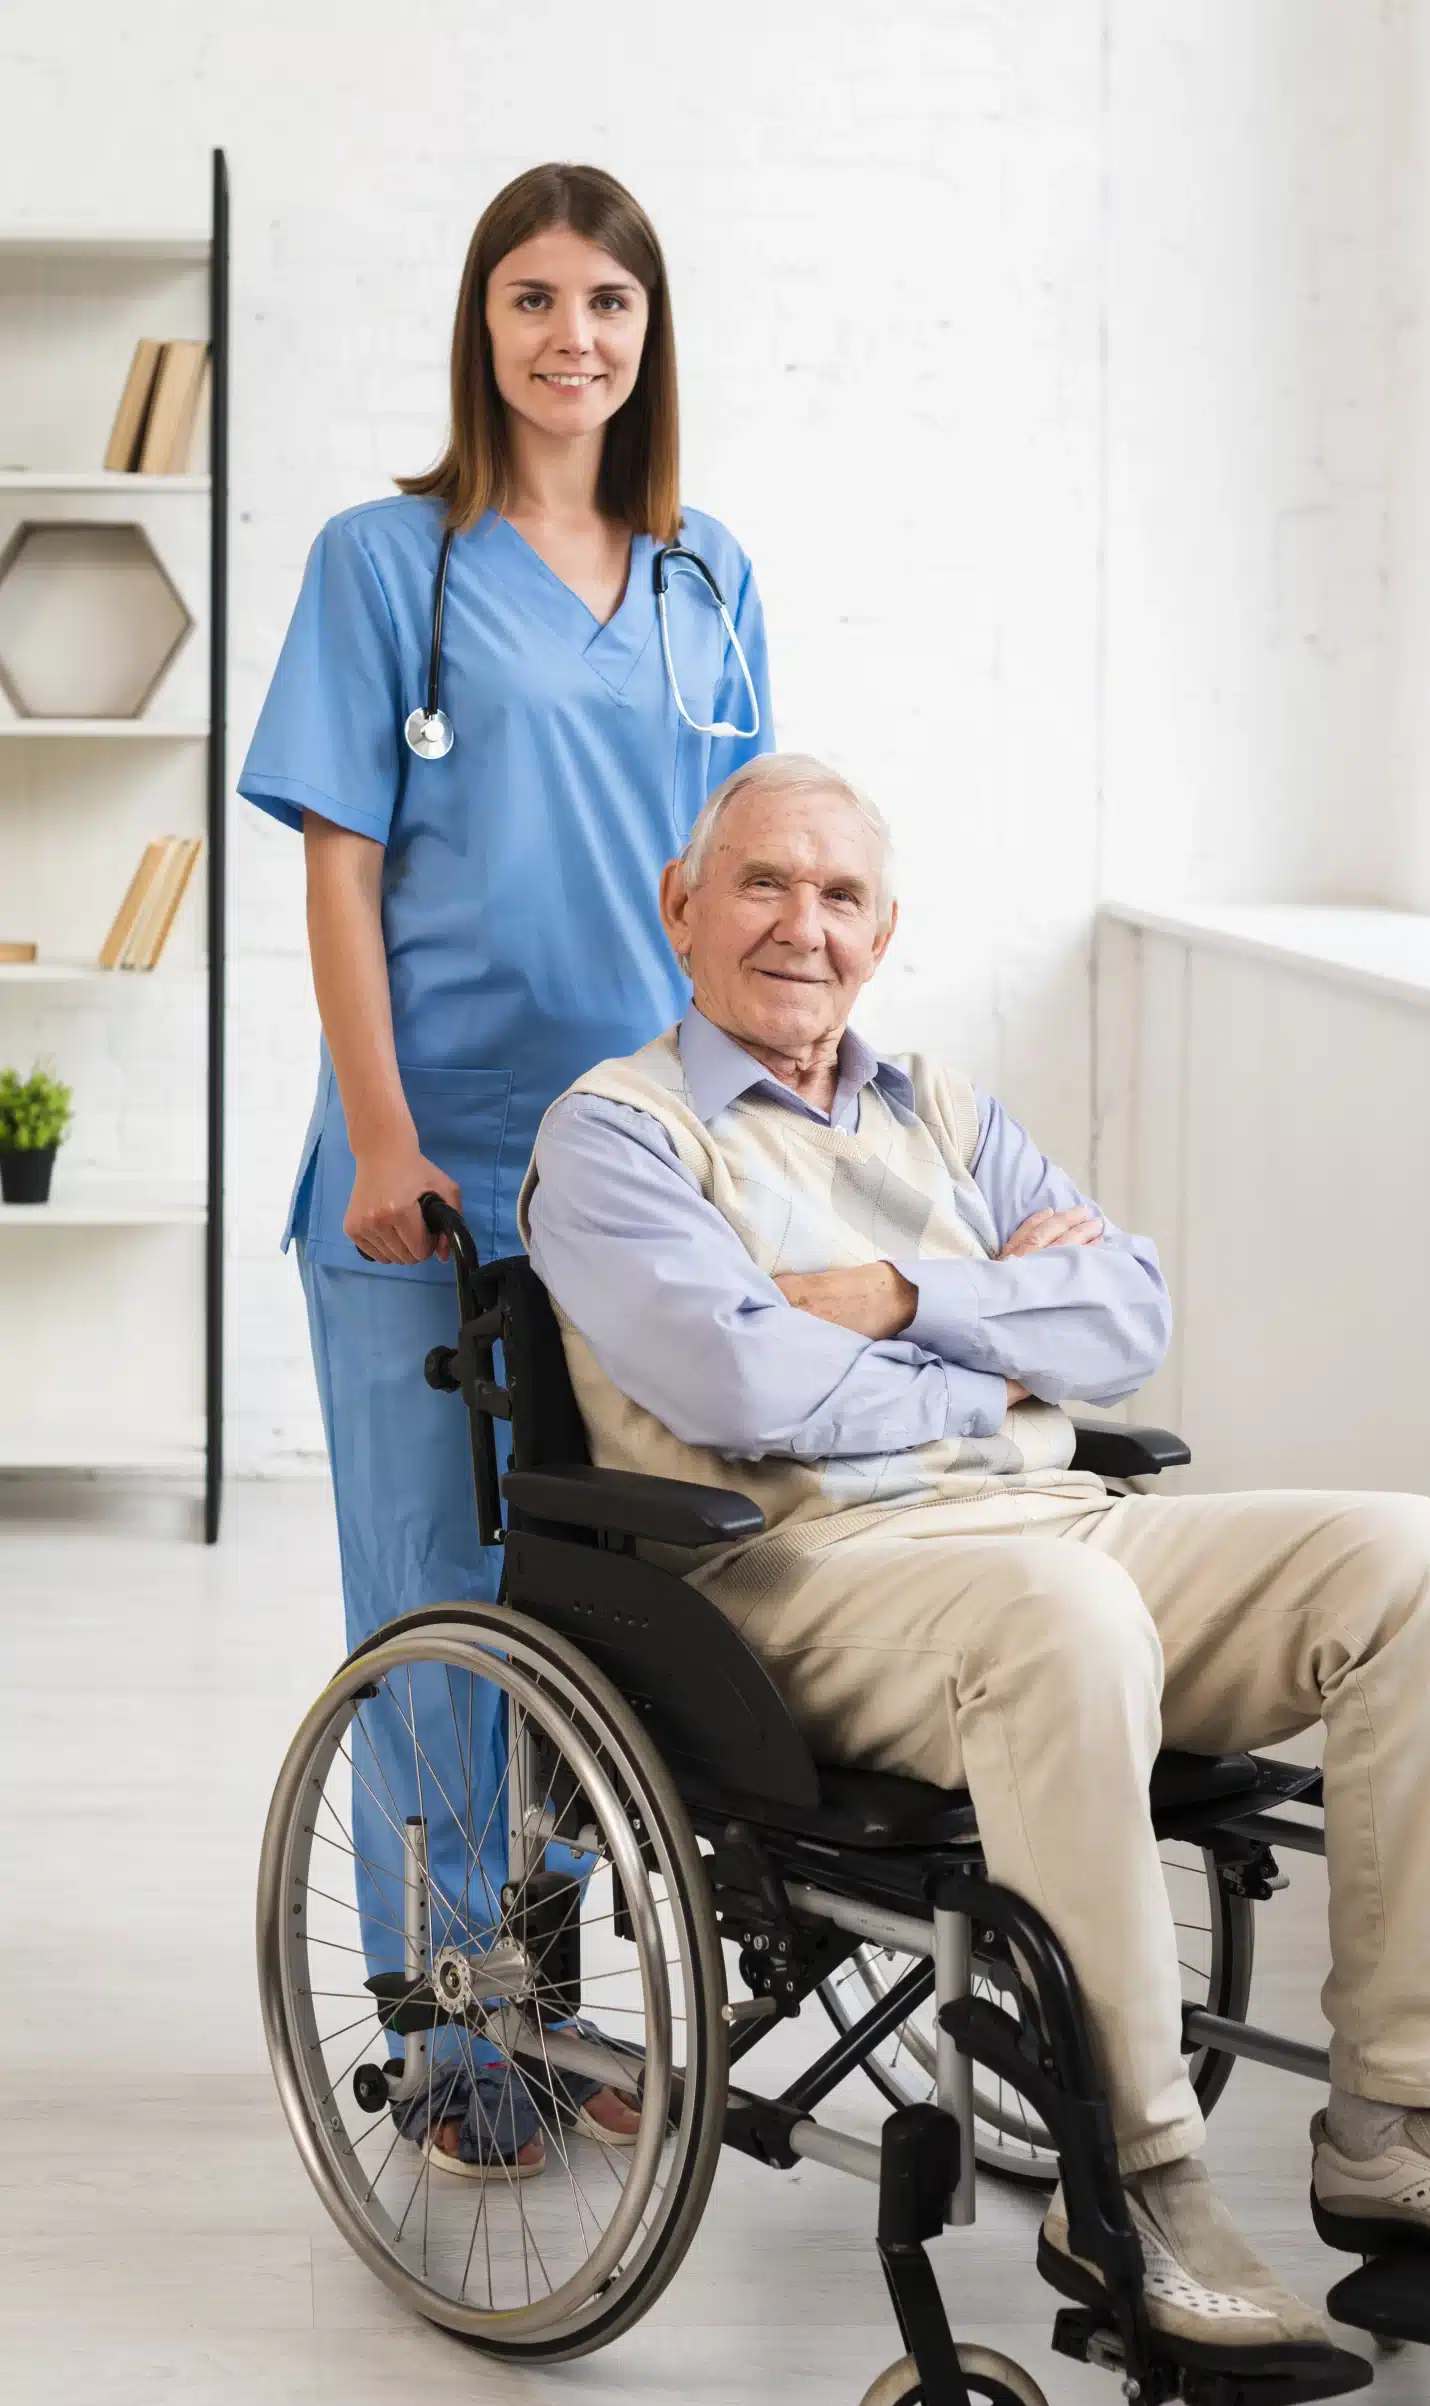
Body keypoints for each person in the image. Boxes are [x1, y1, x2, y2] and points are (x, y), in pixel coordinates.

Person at [518, 750, 1430, 2352]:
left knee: (1416, 1560)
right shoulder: (619, 1138)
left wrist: (909, 1302)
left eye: (841, 895)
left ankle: (1399, 2120)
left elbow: (1130, 1321)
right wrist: (1009, 1348)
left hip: (1057, 1530)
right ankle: (1137, 2180)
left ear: (886, 930)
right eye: (763, 883)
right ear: (682, 907)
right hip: (808, 1580)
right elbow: (734, 1383)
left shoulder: (949, 1115)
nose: (802, 926)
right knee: (1064, 1613)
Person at [239, 164, 772, 2173]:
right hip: (435, 1172)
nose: (573, 335)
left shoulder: (704, 569)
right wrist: (379, 1133)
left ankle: (555, 2008)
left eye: (609, 301)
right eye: (534, 297)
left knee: (609, 1607)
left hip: (639, 1169)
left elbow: (742, 873)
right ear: (482, 324)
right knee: (440, 1594)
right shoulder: (389, 561)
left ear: (650, 333)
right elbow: (341, 862)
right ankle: (456, 2037)